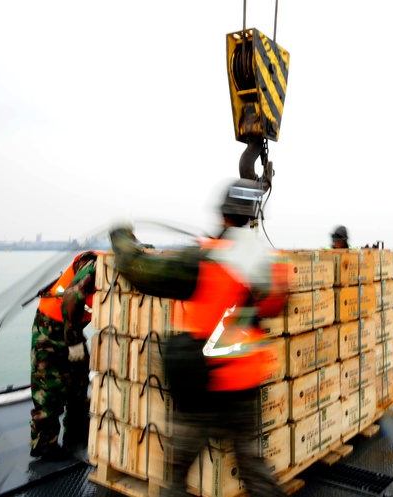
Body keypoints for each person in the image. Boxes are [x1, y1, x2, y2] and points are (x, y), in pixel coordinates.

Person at [109, 178, 288, 497]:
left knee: (178, 469)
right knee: (253, 467)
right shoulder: (269, 263)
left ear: (224, 216)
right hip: (246, 385)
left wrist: (121, 237)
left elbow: (140, 271)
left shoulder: (205, 260)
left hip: (204, 385)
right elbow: (275, 304)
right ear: (253, 217)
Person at [30, 250, 98, 461]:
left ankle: (76, 437)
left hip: (72, 326)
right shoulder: (95, 266)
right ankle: (44, 444)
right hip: (50, 329)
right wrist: (74, 341)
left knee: (78, 382)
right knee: (50, 386)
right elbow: (71, 297)